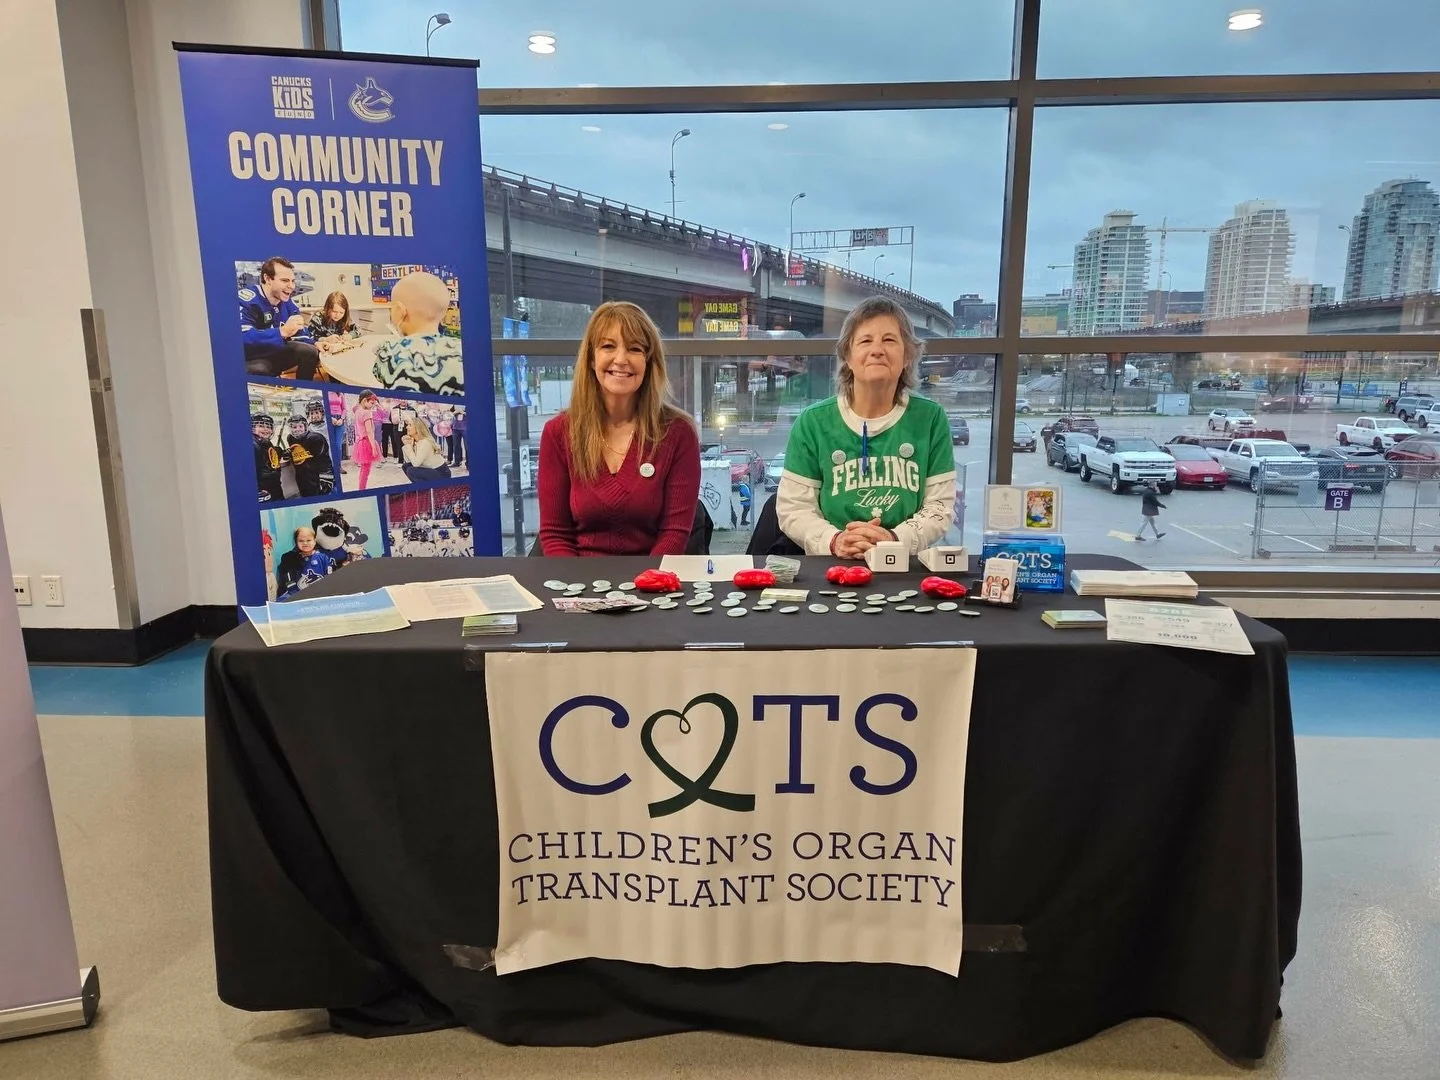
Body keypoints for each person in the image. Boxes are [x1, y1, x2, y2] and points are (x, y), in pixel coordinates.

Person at [776, 296, 954, 559]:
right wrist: (835, 540)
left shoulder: (930, 419)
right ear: (847, 356)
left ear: (907, 355)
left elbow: (939, 507)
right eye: (866, 340)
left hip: (903, 565)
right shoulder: (813, 422)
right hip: (832, 563)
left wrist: (894, 539)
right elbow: (794, 508)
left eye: (890, 340)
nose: (877, 350)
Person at [538, 301, 700, 556]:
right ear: (592, 359)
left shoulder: (678, 433)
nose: (621, 359)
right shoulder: (558, 433)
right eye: (608, 346)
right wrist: (577, 593)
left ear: (648, 362)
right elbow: (555, 534)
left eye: (635, 349)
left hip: (651, 585)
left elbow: (674, 533)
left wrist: (643, 589)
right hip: (577, 585)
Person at [371, 271, 464, 396]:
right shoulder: (461, 349)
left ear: (400, 311)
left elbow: (377, 371)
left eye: (391, 307)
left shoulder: (390, 353)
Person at [240, 257, 319, 379]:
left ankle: (303, 388)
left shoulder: (286, 301)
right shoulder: (247, 300)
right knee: (259, 369)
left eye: (293, 281)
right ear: (267, 279)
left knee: (310, 351)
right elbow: (242, 339)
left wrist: (317, 343)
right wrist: (281, 332)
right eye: (285, 280)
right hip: (253, 356)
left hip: (275, 351)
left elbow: (300, 333)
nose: (291, 286)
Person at [284, 414, 334, 497]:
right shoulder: (290, 438)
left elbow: (324, 460)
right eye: (294, 427)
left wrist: (326, 478)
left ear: (305, 427)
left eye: (300, 426)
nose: (297, 429)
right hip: (301, 476)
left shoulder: (316, 438)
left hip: (316, 476)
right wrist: (288, 453)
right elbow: (296, 454)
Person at [400, 418, 452, 483]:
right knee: (406, 466)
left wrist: (408, 446)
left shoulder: (425, 442)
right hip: (431, 470)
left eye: (410, 425)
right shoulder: (417, 441)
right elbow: (408, 461)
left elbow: (416, 463)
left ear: (417, 428)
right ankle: (420, 487)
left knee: (411, 470)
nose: (407, 427)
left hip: (441, 473)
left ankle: (425, 489)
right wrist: (406, 445)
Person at [350, 391, 381, 490]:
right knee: (366, 470)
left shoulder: (357, 410)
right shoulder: (367, 413)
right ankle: (362, 489)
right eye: (371, 403)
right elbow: (369, 431)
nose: (372, 406)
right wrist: (374, 447)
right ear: (364, 401)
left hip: (359, 442)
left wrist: (364, 401)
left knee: (363, 469)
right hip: (366, 442)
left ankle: (361, 487)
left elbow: (354, 406)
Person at [252, 414, 284, 502]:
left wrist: (279, 452)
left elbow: (270, 460)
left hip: (275, 486)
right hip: (265, 490)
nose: (266, 429)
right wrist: (258, 490)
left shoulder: (266, 442)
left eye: (268, 426)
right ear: (252, 427)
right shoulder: (253, 446)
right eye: (261, 426)